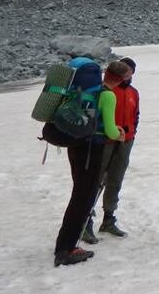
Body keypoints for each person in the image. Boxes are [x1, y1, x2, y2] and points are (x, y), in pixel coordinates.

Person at [54, 60, 129, 266]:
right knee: (83, 198)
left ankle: (66, 244)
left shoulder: (81, 91)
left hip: (75, 145)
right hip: (91, 150)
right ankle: (66, 249)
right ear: (122, 79)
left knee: (79, 194)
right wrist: (120, 135)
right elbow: (111, 130)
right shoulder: (107, 95)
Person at [84, 56, 140, 242]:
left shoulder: (133, 92)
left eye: (131, 70)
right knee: (96, 179)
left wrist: (131, 132)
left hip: (125, 141)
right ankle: (86, 221)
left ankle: (108, 219)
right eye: (126, 71)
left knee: (115, 179)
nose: (129, 74)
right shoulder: (106, 92)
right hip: (105, 140)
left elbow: (135, 114)